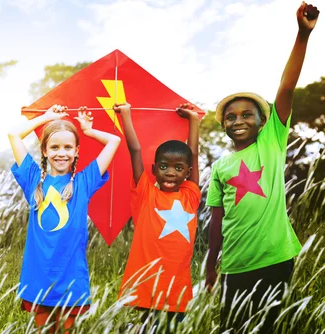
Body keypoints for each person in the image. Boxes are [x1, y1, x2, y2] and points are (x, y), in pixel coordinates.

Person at [205, 3, 319, 333]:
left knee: (269, 326)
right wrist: (212, 264)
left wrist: (302, 34)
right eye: (230, 117)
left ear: (262, 121)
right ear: (224, 125)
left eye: (246, 115)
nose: (238, 120)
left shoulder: (271, 142)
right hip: (235, 265)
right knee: (233, 326)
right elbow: (216, 221)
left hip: (275, 258)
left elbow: (285, 88)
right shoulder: (221, 166)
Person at [8, 105, 121, 333]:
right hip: (39, 274)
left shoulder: (83, 182)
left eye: (68, 147)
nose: (62, 153)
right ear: (45, 150)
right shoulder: (32, 179)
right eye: (55, 147)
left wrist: (88, 130)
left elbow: (113, 142)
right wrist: (47, 118)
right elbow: (13, 135)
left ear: (77, 151)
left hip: (70, 276)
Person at [116, 102, 201, 334]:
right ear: (154, 169)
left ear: (188, 172)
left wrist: (194, 120)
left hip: (177, 288)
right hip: (148, 284)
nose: (171, 172)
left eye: (178, 168)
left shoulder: (191, 195)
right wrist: (126, 116)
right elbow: (135, 150)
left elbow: (193, 153)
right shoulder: (145, 193)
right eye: (164, 166)